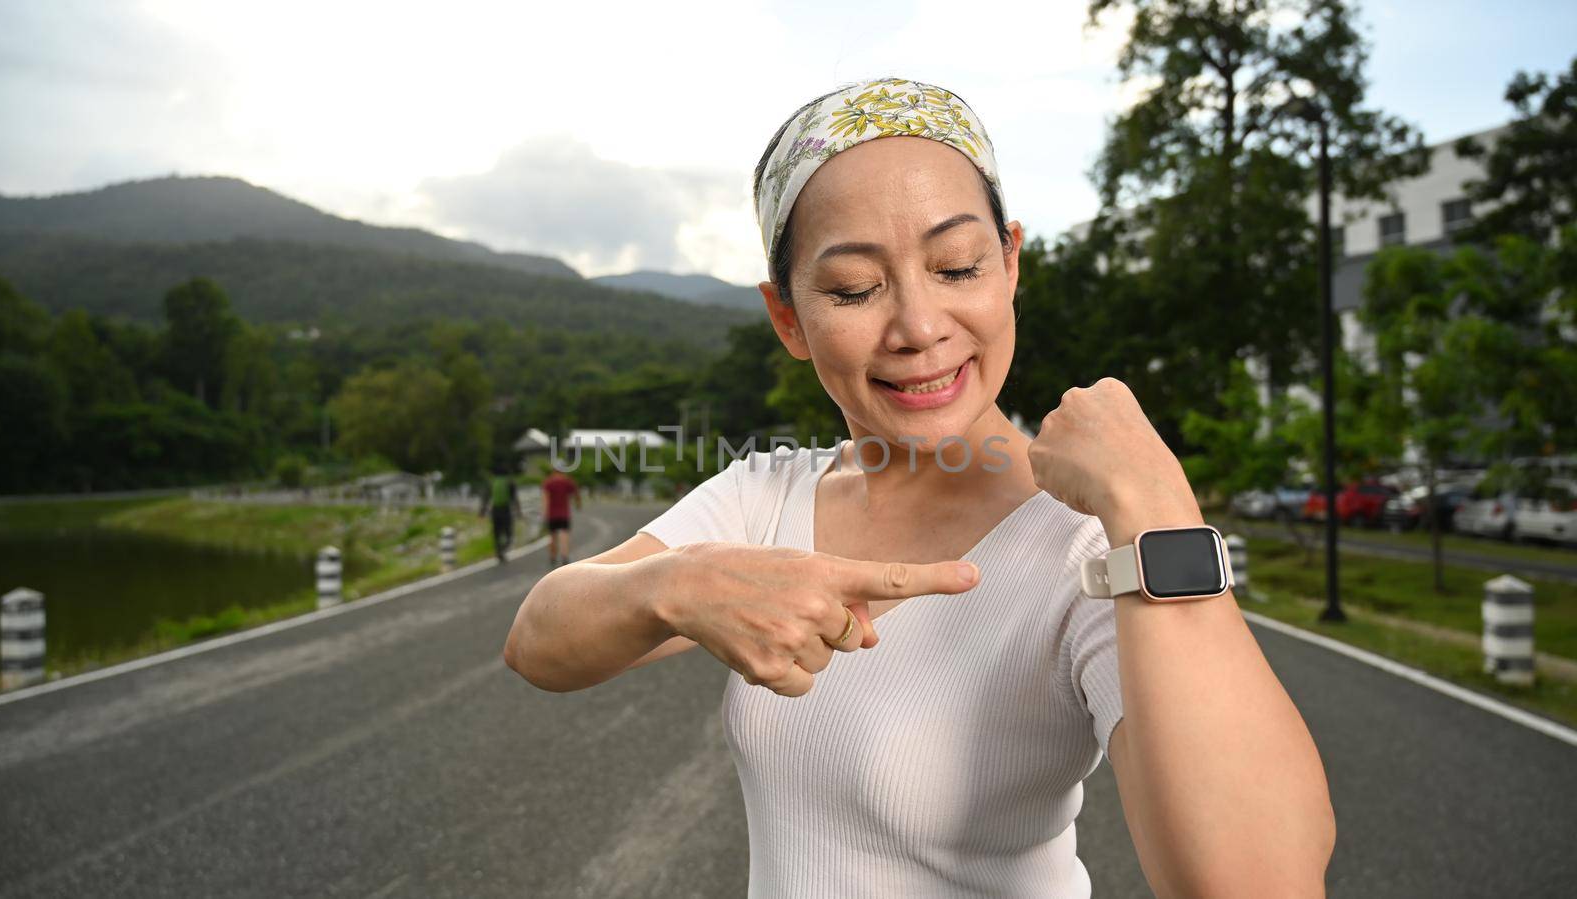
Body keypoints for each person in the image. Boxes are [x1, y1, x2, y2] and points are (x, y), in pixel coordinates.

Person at [503, 76, 1334, 896]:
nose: (918, 328)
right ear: (788, 316)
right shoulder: (766, 493)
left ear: (1010, 264)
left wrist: (1158, 508)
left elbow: (1259, 882)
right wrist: (675, 583)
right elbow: (538, 642)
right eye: (854, 288)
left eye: (958, 267)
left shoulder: (1093, 546)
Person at [478, 466, 520, 564]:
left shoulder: (491, 483)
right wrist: (519, 513)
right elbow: (515, 499)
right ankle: (503, 548)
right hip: (506, 510)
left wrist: (482, 512)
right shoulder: (510, 482)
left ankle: (498, 551)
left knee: (497, 533)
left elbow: (485, 498)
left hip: (495, 511)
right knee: (509, 533)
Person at [541, 467, 580, 566]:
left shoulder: (548, 482)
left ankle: (553, 557)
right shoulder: (567, 481)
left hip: (552, 515)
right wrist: (578, 504)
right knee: (564, 535)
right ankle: (565, 556)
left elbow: (545, 499)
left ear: (553, 470)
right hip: (564, 514)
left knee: (553, 537)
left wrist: (544, 514)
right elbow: (576, 493)